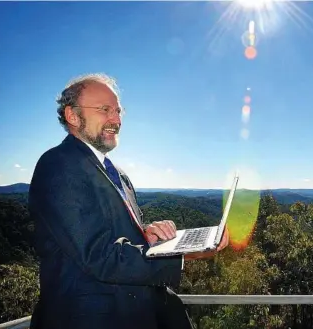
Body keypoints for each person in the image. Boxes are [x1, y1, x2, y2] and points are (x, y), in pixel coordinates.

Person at [28, 73, 229, 329]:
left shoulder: (117, 173)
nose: (116, 119)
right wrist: (183, 254)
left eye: (118, 111)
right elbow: (98, 255)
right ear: (73, 116)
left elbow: (114, 236)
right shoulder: (58, 165)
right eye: (105, 110)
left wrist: (149, 237)